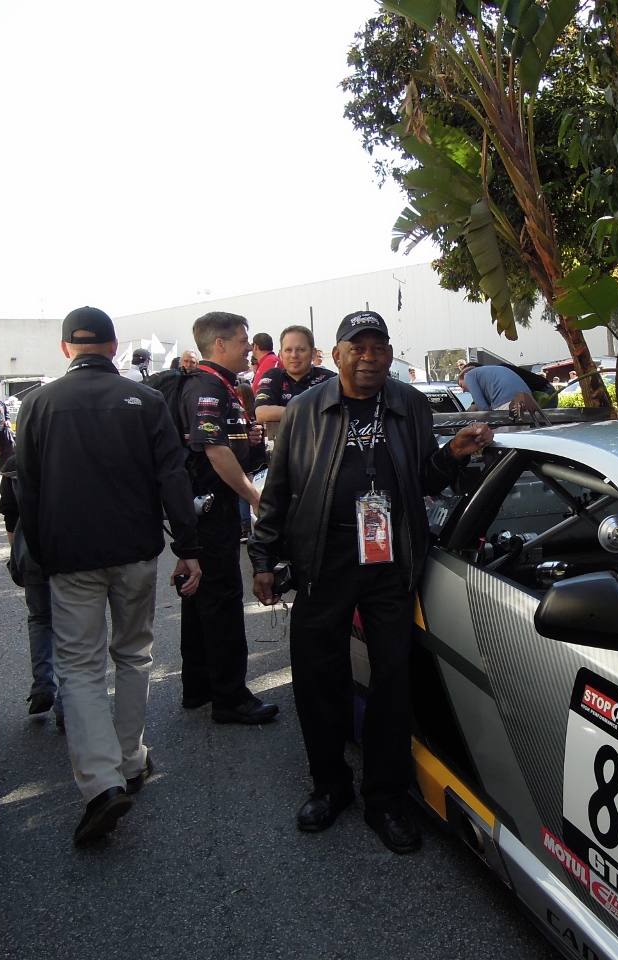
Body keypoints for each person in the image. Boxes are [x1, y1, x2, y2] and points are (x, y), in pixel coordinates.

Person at [250, 310, 492, 853]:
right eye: (356, 347)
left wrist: (452, 455)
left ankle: (384, 796)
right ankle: (329, 786)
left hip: (390, 560)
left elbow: (422, 479)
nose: (368, 357)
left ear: (388, 353)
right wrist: (263, 556)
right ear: (334, 356)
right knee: (319, 676)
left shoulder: (408, 404)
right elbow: (280, 491)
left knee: (392, 678)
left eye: (378, 347)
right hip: (324, 556)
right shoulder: (304, 411)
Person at [16, 306, 203, 846]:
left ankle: (100, 784)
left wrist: (39, 556)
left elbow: (26, 488)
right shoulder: (143, 401)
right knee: (134, 653)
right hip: (136, 551)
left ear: (65, 349)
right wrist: (186, 548)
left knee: (78, 666)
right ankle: (129, 759)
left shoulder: (37, 404)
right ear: (114, 347)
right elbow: (173, 476)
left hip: (69, 556)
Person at [175, 312, 277, 724]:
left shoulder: (219, 386)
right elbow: (213, 451)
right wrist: (254, 498)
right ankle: (231, 698)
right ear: (219, 344)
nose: (248, 350)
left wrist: (245, 436)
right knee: (221, 602)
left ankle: (199, 687)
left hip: (206, 508)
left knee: (201, 600)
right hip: (211, 510)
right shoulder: (205, 386)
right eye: (242, 342)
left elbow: (224, 440)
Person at [0, 447, 64, 728]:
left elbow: (10, 517)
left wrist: (17, 555)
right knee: (69, 625)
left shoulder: (14, 464)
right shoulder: (61, 454)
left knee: (39, 619)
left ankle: (42, 685)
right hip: (64, 550)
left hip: (29, 552)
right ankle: (66, 705)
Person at [253, 324, 336, 424]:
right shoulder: (273, 376)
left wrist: (283, 413)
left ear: (313, 353)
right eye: (288, 350)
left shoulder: (329, 379)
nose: (294, 355)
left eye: (301, 350)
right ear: (281, 354)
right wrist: (311, 413)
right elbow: (261, 413)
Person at [458, 363, 542, 417]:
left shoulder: (468, 375)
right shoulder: (492, 371)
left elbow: (483, 409)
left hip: (506, 403)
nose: (463, 390)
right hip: (527, 400)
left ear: (465, 375)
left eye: (461, 385)